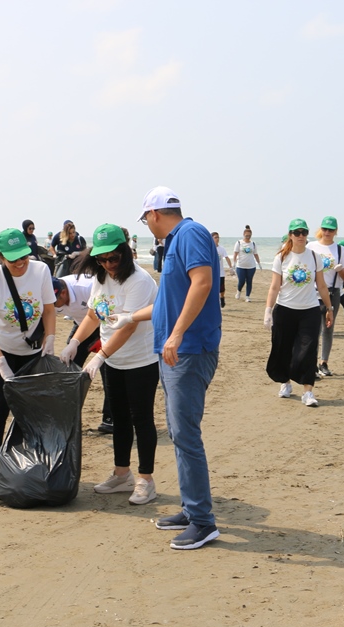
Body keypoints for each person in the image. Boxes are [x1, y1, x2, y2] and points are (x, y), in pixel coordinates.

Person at [111, 187, 222, 549]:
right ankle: (192, 510)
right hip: (176, 351)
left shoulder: (190, 234)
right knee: (178, 432)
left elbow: (203, 283)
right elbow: (166, 303)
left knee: (186, 434)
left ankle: (204, 522)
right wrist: (130, 316)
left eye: (145, 220)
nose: (147, 226)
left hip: (188, 351)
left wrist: (175, 335)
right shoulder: (175, 241)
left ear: (155, 214)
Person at [60, 224, 160, 505]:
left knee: (142, 418)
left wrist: (99, 356)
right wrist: (75, 343)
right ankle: (121, 473)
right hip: (113, 360)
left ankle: (145, 480)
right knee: (118, 418)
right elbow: (93, 314)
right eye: (101, 260)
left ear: (125, 253)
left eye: (113, 259)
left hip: (140, 360)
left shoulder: (138, 281)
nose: (107, 264)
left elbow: (127, 327)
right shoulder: (103, 277)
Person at [0, 228, 57, 481]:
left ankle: (27, 464)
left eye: (24, 257)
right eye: (13, 260)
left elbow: (49, 310)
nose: (20, 263)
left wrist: (50, 337)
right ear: (0, 257)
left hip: (30, 351)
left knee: (29, 409)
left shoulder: (41, 270)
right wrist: (0, 362)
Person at [265, 219, 334, 406]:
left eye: (304, 232)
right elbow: (274, 287)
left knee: (308, 350)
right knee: (282, 348)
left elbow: (321, 285)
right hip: (285, 309)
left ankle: (307, 392)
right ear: (290, 235)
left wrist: (329, 308)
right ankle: (285, 383)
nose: (301, 236)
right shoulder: (281, 257)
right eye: (297, 233)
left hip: (309, 310)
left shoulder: (313, 257)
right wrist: (268, 310)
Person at [53, 270, 114, 433]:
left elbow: (112, 311)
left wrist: (103, 340)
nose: (54, 307)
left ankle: (110, 419)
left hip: (106, 323)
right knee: (68, 366)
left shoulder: (87, 287)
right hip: (83, 325)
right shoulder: (51, 296)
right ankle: (67, 418)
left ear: (64, 293)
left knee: (107, 368)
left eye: (55, 303)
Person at [306, 216, 344, 377]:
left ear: (335, 231)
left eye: (331, 230)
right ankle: (312, 363)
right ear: (320, 229)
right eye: (325, 229)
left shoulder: (340, 250)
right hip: (313, 293)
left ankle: (324, 362)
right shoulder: (311, 247)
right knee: (313, 330)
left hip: (333, 293)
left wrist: (340, 270)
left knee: (328, 328)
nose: (327, 232)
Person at [232, 225, 261, 302]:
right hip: (240, 265)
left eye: (249, 236)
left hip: (251, 266)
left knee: (249, 281)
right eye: (246, 235)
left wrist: (259, 263)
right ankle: (238, 291)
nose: (248, 237)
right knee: (241, 281)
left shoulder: (253, 244)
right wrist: (233, 263)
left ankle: (247, 296)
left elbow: (255, 254)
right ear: (244, 235)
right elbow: (235, 254)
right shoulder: (239, 243)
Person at [212, 232, 233, 308]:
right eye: (215, 237)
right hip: (212, 272)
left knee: (222, 288)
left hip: (220, 272)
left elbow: (226, 257)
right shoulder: (209, 248)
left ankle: (222, 298)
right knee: (213, 288)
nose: (217, 239)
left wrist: (231, 267)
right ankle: (216, 301)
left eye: (218, 237)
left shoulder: (221, 249)